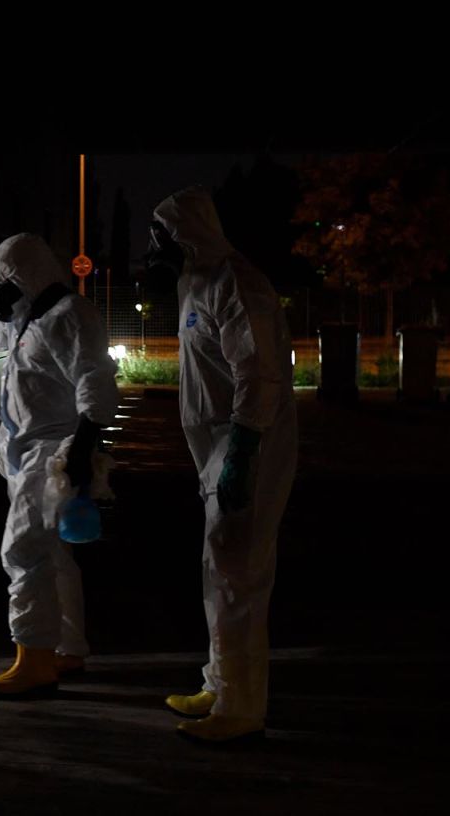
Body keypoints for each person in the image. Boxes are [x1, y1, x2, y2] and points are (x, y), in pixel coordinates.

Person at [146, 187, 298, 741]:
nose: (151, 245)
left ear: (184, 234)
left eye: (159, 234)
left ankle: (239, 710)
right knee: (219, 572)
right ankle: (220, 682)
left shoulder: (237, 284)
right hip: (219, 450)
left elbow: (257, 374)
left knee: (238, 577)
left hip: (245, 448)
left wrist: (242, 453)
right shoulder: (197, 283)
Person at [0, 234, 118, 696]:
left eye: (3, 280)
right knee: (54, 557)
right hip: (26, 456)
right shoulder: (31, 319)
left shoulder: (69, 316)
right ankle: (67, 648)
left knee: (21, 552)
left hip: (50, 456)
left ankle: (34, 659)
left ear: (25, 275)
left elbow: (96, 384)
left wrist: (80, 451)